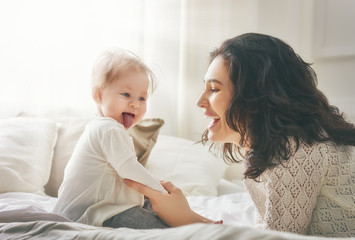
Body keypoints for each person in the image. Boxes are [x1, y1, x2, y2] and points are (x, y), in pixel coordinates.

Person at [124, 33, 355, 237]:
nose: (200, 101)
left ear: (255, 96)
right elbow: (266, 228)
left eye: (214, 89)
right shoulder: (269, 149)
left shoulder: (293, 151)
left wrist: (187, 218)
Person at [54, 48, 170, 229]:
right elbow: (130, 169)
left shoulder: (100, 126)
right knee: (163, 228)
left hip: (94, 209)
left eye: (142, 98)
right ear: (99, 95)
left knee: (155, 208)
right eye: (126, 94)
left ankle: (194, 221)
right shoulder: (109, 129)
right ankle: (196, 226)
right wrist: (162, 192)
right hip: (94, 213)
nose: (135, 104)